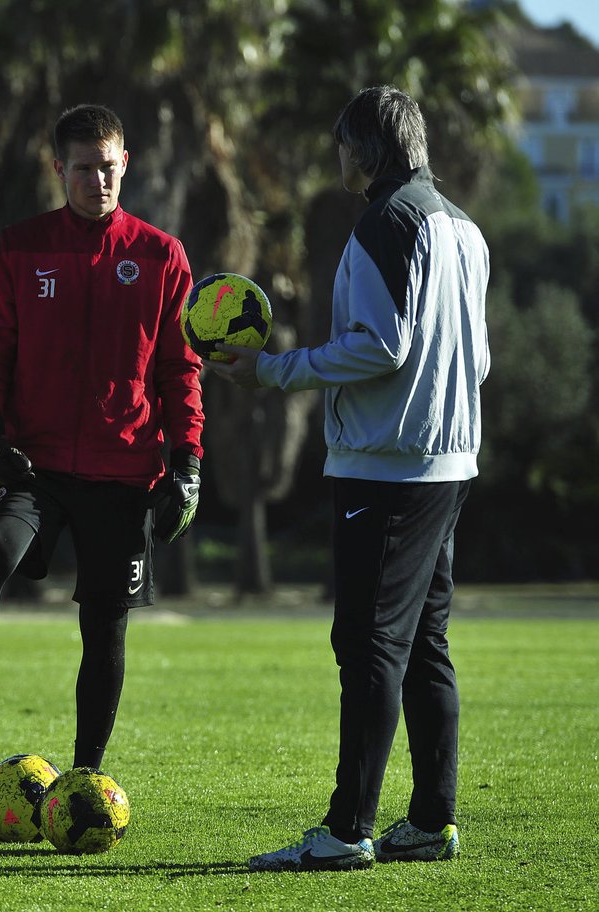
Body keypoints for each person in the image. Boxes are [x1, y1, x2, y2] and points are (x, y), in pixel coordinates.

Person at [0, 103, 205, 773]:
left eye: (108, 168)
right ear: (59, 169)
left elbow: (180, 368)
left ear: (126, 164)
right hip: (36, 463)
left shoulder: (160, 256)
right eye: (83, 169)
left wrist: (189, 460)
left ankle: (87, 774)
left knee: (105, 625)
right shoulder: (21, 248)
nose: (98, 181)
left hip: (125, 470)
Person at [214, 85, 490, 871]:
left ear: (367, 150)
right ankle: (431, 821)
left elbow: (381, 347)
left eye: (342, 143)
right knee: (425, 643)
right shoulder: (464, 228)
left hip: (387, 469)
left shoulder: (382, 223)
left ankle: (345, 831)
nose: (337, 158)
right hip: (450, 462)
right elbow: (478, 360)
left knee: (369, 644)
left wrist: (273, 372)